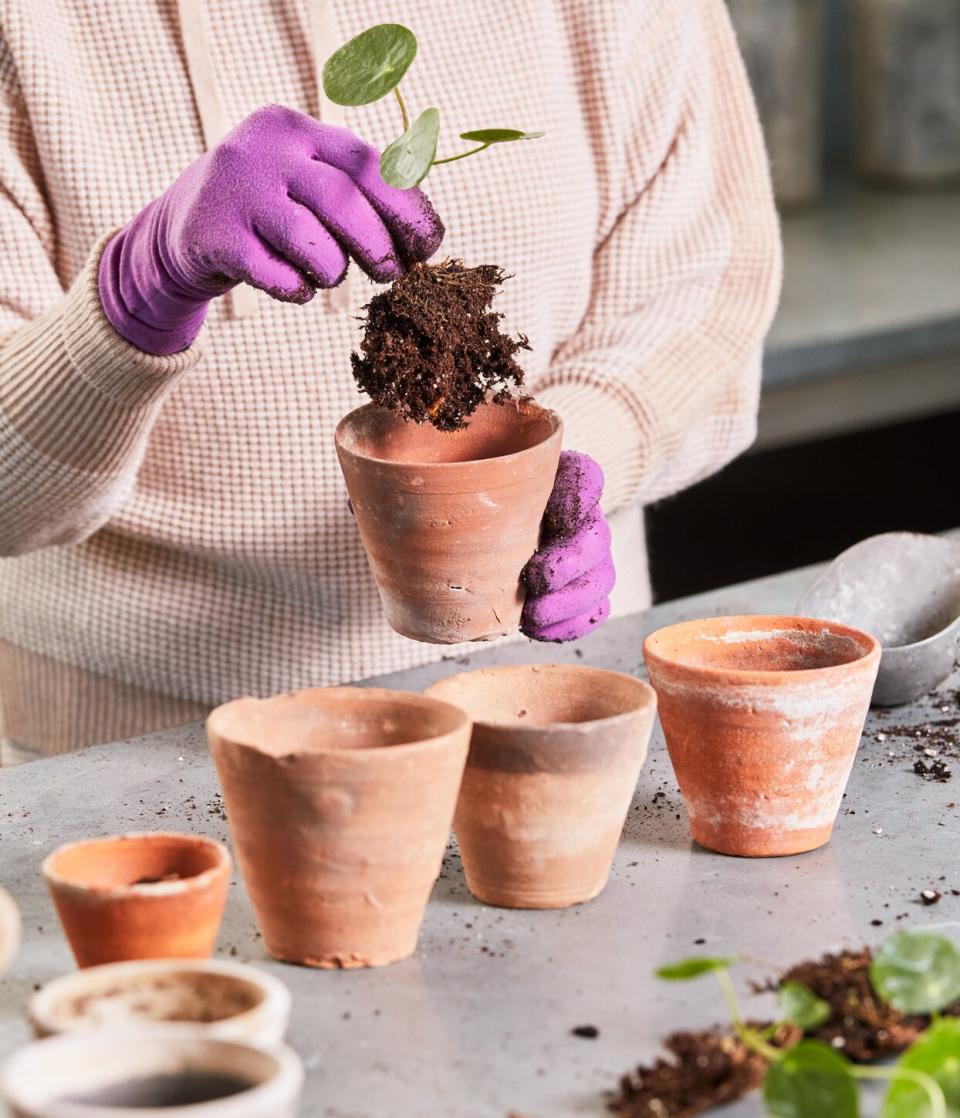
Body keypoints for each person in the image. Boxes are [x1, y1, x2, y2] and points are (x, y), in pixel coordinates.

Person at [0, 1, 780, 764]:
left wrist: (566, 465)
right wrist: (135, 291)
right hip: (125, 755)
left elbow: (702, 285)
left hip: (548, 712)